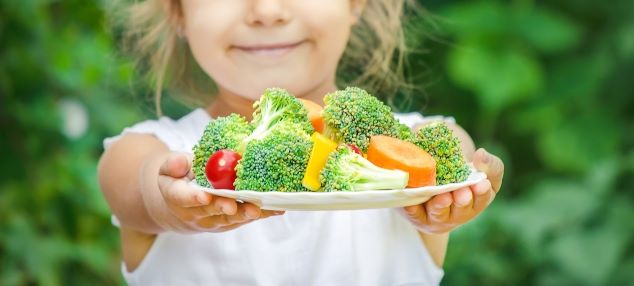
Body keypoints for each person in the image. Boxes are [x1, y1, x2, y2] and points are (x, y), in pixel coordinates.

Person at [98, 0, 505, 285]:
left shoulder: (397, 153)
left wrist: (445, 196)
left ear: (355, 3)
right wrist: (173, 206)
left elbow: (451, 147)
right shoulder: (150, 150)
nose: (267, 11)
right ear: (176, 10)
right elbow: (139, 185)